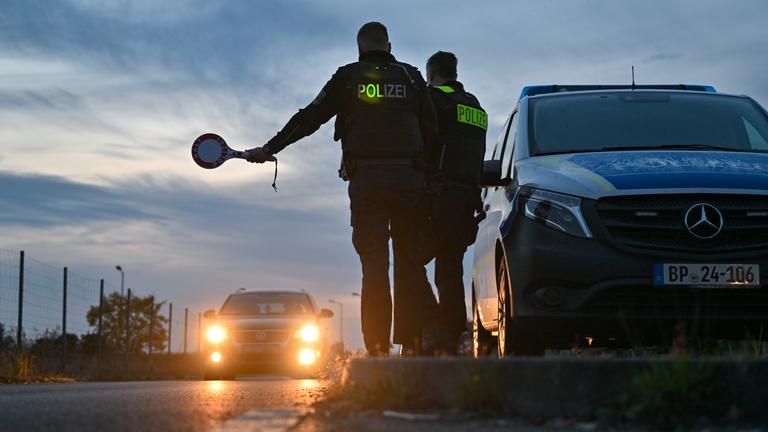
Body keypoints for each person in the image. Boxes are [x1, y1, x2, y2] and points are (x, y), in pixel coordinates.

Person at [246, 22, 437, 356]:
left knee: (374, 265)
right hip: (410, 181)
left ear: (359, 48)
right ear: (389, 47)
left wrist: (270, 148)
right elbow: (431, 129)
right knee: (409, 263)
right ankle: (412, 347)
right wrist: (427, 179)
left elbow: (309, 118)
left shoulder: (347, 77)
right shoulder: (411, 77)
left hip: (367, 183)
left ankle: (376, 350)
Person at [422, 51, 487, 354]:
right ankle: (450, 339)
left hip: (438, 196)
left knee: (411, 260)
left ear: (431, 75)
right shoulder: (475, 106)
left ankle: (433, 327)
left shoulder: (435, 99)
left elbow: (424, 145)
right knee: (450, 271)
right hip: (466, 200)